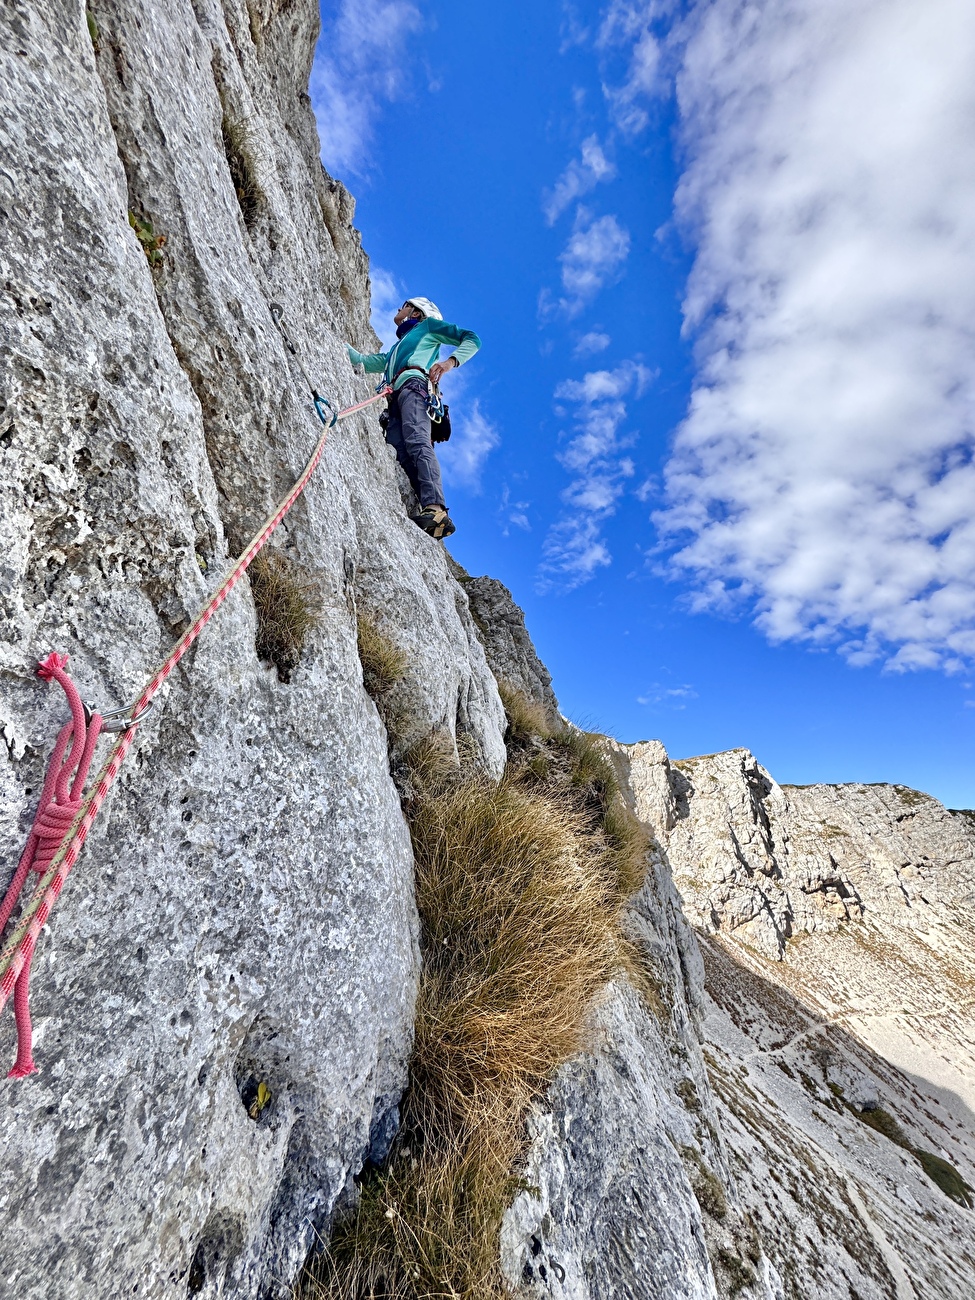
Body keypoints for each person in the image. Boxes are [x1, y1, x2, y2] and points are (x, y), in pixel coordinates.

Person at [347, 297, 481, 539]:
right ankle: (425, 509)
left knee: (417, 440)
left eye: (404, 305)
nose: (399, 309)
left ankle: (437, 509)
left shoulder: (428, 328)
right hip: (396, 398)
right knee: (400, 452)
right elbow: (362, 362)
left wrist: (450, 362)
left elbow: (472, 339)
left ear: (417, 312)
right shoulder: (394, 353)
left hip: (414, 386)